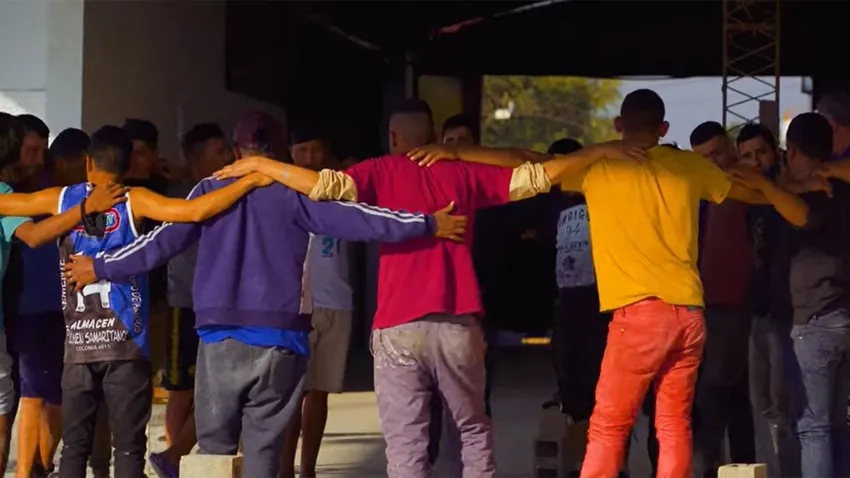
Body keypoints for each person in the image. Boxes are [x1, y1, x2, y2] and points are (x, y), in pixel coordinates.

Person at [211, 100, 640, 478]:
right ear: (432, 135)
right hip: (457, 325)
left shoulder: (379, 170)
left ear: (394, 137)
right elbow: (535, 177)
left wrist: (261, 167)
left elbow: (324, 187)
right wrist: (598, 151)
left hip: (397, 327)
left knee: (406, 442)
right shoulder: (464, 173)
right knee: (471, 430)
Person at [406, 89, 811, 478]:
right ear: (663, 129)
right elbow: (753, 193)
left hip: (639, 316)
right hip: (689, 316)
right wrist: (787, 185)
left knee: (609, 424)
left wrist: (457, 152)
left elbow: (525, 158)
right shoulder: (688, 167)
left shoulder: (598, 167)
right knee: (673, 422)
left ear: (619, 124)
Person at [63, 111, 468, 478]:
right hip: (281, 341)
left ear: (237, 151)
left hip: (220, 340)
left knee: (215, 454)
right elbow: (362, 218)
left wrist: (99, 266)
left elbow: (159, 243)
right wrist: (427, 223)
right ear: (281, 151)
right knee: (264, 455)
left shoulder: (209, 190)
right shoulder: (295, 192)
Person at [0, 124, 270, 478]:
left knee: (74, 449)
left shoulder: (62, 198)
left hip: (79, 350)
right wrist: (250, 180)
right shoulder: (135, 200)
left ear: (88, 163)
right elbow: (196, 211)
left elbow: (6, 204)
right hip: (127, 349)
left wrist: (82, 208)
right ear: (128, 167)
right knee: (128, 449)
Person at [0, 113, 130, 476]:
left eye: (41, 151)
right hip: (30, 309)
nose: (37, 159)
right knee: (30, 395)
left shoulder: (38, 190)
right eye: (28, 150)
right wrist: (85, 208)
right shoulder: (18, 194)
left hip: (52, 310)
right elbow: (33, 235)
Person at [768, 112, 850, 477]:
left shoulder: (819, 191)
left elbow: (801, 216)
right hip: (840, 316)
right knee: (835, 425)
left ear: (794, 150)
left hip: (813, 320)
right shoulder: (839, 184)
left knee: (814, 428)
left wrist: (772, 187)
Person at [148, 123, 232, 475]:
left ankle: (175, 456)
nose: (228, 157)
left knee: (222, 388)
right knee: (181, 388)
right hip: (184, 304)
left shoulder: (233, 188)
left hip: (223, 305)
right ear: (197, 158)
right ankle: (174, 461)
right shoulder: (178, 193)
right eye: (219, 151)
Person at [280, 128, 357, 478]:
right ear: (290, 152)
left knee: (320, 392)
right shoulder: (283, 189)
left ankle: (308, 470)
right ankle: (285, 470)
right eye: (302, 150)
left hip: (338, 301)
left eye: (316, 150)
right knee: (292, 393)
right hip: (298, 304)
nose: (309, 158)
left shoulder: (342, 188)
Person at [688, 122, 756, 476]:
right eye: (704, 157)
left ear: (729, 146)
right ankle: (742, 466)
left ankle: (713, 467)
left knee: (716, 394)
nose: (712, 161)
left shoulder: (746, 182)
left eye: (716, 152)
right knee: (731, 394)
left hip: (736, 302)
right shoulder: (702, 188)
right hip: (707, 301)